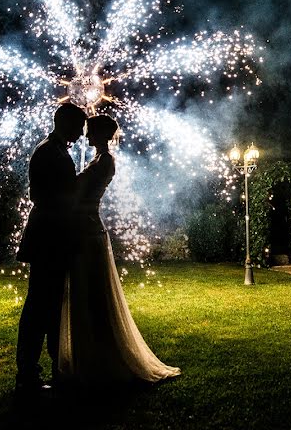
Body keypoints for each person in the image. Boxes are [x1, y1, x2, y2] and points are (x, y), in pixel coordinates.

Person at [57, 114, 181, 385]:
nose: (86, 136)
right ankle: (92, 357)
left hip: (89, 232)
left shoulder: (104, 162)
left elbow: (77, 191)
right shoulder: (99, 160)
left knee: (94, 294)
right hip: (86, 229)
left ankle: (101, 359)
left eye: (90, 132)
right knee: (88, 294)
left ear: (101, 135)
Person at [14, 103, 87, 396]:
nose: (82, 133)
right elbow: (40, 194)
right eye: (79, 126)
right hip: (49, 239)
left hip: (52, 237)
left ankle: (52, 367)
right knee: (39, 308)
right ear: (65, 123)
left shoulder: (55, 149)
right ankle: (28, 375)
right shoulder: (48, 151)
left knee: (49, 305)